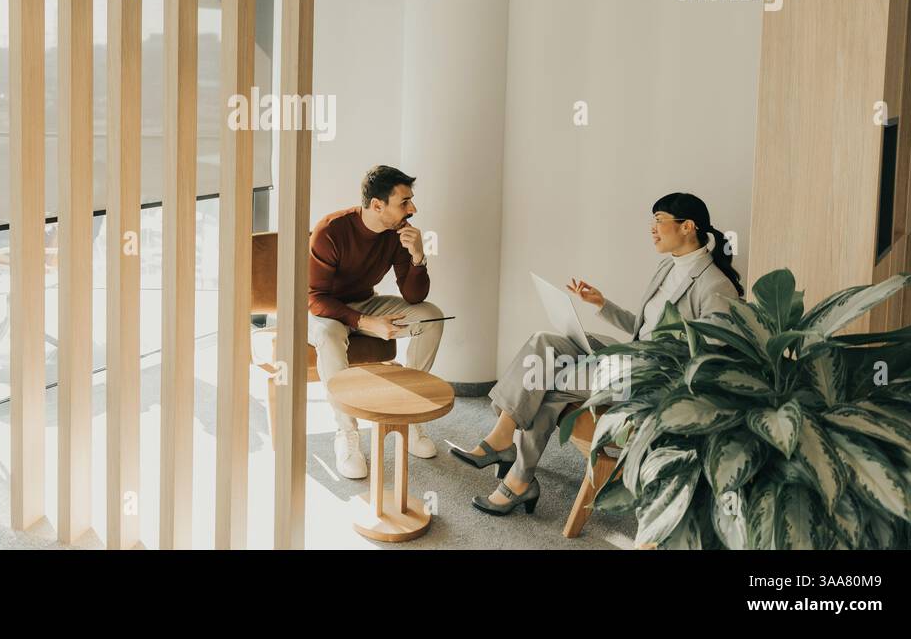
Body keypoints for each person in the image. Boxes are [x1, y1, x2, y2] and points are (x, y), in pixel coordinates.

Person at [453, 192, 744, 516]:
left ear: (687, 226)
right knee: (543, 343)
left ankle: (519, 478)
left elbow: (713, 351)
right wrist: (602, 305)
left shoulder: (715, 285)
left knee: (550, 380)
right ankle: (501, 438)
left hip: (653, 375)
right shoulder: (667, 268)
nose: (652, 229)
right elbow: (644, 326)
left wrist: (660, 359)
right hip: (632, 353)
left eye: (659, 221)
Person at [309, 165, 446, 479]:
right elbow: (314, 296)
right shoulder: (330, 230)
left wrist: (417, 257)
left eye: (411, 201)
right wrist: (365, 322)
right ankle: (346, 433)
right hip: (322, 309)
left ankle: (408, 414)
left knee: (433, 316)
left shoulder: (398, 234)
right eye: (404, 203)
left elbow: (414, 297)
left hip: (364, 301)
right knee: (330, 334)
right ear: (376, 205)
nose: (413, 209)